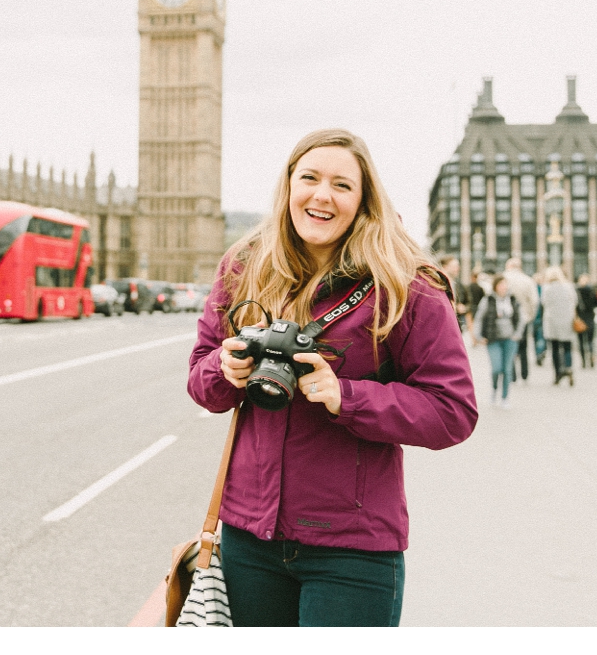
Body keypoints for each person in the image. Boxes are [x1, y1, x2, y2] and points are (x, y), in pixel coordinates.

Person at [188, 128, 477, 627]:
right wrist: (225, 368)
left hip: (352, 551)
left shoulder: (405, 284)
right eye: (310, 178)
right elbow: (202, 380)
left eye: (342, 185)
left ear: (364, 201)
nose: (322, 195)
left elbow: (454, 411)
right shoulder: (243, 267)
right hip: (248, 540)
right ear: (289, 187)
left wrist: (347, 397)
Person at [474, 275, 520, 407]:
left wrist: (517, 334)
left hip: (510, 339)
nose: (504, 287)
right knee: (496, 368)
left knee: (507, 369)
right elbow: (479, 317)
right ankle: (494, 389)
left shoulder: (512, 299)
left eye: (505, 284)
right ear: (495, 286)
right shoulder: (488, 300)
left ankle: (505, 397)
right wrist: (478, 336)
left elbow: (520, 317)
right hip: (493, 338)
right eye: (501, 284)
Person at [502, 257, 539, 383]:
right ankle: (524, 374)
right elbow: (534, 301)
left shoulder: (503, 279)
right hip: (524, 317)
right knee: (523, 347)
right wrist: (530, 316)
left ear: (509, 266)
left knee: (509, 346)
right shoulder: (528, 280)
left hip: (507, 317)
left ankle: (512, 374)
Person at [541, 267, 579, 385]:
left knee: (555, 348)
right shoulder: (568, 286)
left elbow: (544, 302)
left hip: (552, 320)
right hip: (567, 320)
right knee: (567, 346)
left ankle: (557, 374)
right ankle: (568, 367)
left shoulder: (546, 288)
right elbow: (575, 301)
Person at [437, 255, 467, 342]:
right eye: (454, 266)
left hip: (456, 325)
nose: (457, 268)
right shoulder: (437, 283)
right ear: (445, 267)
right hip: (442, 327)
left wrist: (463, 307)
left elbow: (468, 302)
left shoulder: (459, 284)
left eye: (458, 266)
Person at [575, 273, 597, 368]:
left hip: (579, 319)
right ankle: (591, 356)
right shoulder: (592, 291)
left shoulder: (576, 291)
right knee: (590, 341)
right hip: (590, 318)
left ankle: (583, 361)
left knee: (581, 341)